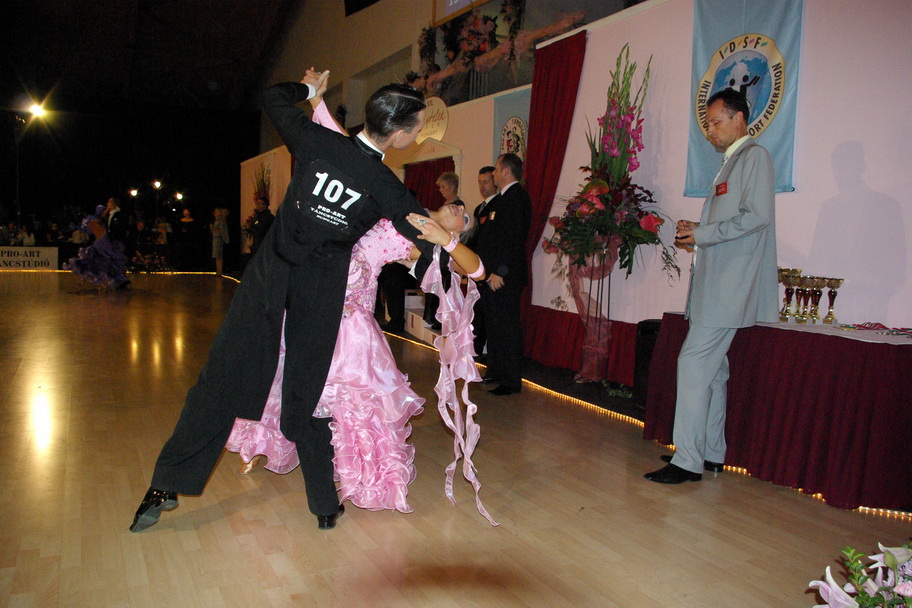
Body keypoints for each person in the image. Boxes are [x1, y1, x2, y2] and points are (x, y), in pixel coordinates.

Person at [130, 68, 467, 533]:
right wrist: (466, 259)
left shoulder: (316, 140)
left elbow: (272, 97)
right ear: (402, 135)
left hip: (268, 281)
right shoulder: (387, 186)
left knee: (221, 380)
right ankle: (324, 506)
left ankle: (163, 486)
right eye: (418, 128)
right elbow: (428, 242)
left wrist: (310, 89)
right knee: (304, 400)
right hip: (317, 299)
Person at [645, 89, 778, 484]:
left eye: (716, 122)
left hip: (728, 286)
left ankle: (687, 460)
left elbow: (756, 216)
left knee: (692, 364)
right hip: (717, 284)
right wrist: (699, 230)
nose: (710, 130)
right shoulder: (732, 162)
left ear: (739, 118)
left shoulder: (754, 156)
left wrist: (703, 234)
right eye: (707, 124)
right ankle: (711, 452)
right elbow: (732, 221)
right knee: (714, 371)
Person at [474, 153, 532, 395]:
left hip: (504, 276)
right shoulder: (502, 199)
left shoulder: (516, 197)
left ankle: (510, 380)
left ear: (506, 171)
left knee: (507, 327)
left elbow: (513, 239)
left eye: (496, 170)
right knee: (495, 325)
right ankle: (496, 371)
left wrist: (499, 271)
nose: (494, 174)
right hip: (493, 276)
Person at [423, 172, 465, 330]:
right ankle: (435, 317)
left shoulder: (456, 206)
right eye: (440, 187)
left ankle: (442, 318)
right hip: (440, 248)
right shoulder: (447, 205)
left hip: (448, 250)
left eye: (443, 187)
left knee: (443, 283)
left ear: (453, 187)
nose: (441, 190)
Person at [468, 166, 498, 360]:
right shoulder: (480, 208)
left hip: (490, 269)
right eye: (480, 182)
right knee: (477, 311)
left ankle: (483, 352)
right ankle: (475, 349)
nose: (482, 186)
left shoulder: (498, 205)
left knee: (488, 313)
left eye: (486, 182)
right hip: (478, 267)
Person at [62, 206, 129, 290]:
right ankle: (114, 280)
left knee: (104, 262)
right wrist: (108, 208)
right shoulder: (94, 221)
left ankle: (115, 280)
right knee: (104, 262)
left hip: (102, 243)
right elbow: (100, 217)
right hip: (102, 243)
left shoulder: (94, 222)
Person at [210, 207, 230, 276]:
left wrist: (225, 239)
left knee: (218, 255)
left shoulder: (221, 221)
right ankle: (218, 270)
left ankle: (219, 271)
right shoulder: (216, 221)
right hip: (215, 239)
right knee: (217, 256)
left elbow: (222, 231)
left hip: (219, 239)